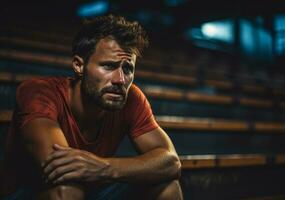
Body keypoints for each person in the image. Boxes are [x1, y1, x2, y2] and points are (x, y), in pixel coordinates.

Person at [3, 14, 183, 199]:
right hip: (27, 192)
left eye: (127, 69)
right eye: (108, 66)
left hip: (90, 189)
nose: (120, 80)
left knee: (168, 187)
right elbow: (61, 168)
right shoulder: (38, 92)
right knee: (67, 191)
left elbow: (171, 162)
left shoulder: (131, 98)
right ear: (79, 65)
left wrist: (105, 168)